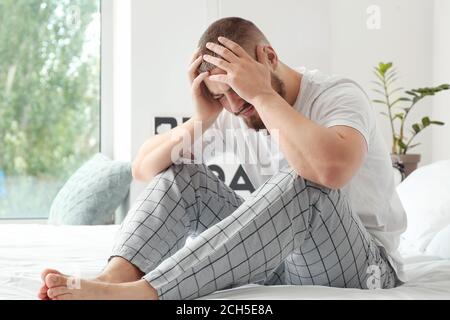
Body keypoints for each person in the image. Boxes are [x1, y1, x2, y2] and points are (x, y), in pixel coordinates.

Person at [38, 17, 406, 300]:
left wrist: (262, 95)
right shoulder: (234, 109)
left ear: (270, 58)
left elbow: (332, 171)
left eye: (237, 91)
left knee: (304, 180)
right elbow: (143, 168)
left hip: (365, 267)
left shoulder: (336, 95)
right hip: (280, 261)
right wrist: (202, 119)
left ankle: (149, 292)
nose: (233, 105)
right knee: (185, 177)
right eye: (220, 96)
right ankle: (115, 278)